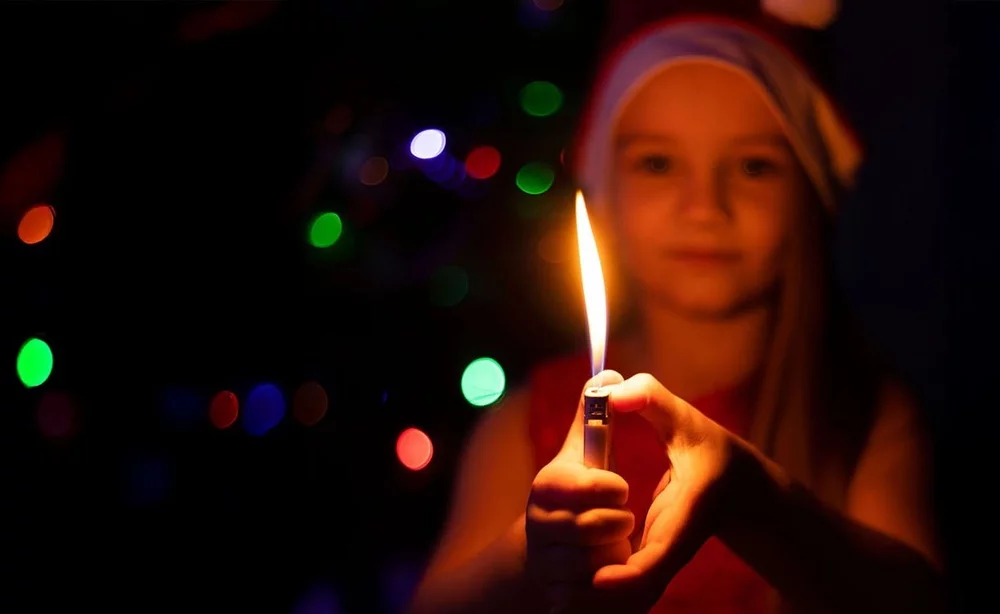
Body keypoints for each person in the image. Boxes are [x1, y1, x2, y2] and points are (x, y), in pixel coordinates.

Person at [409, 13, 945, 614]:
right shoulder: (523, 426)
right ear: (608, 191)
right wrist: (532, 554)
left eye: (753, 166)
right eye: (659, 163)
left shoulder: (866, 419)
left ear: (809, 192)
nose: (703, 207)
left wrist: (757, 499)